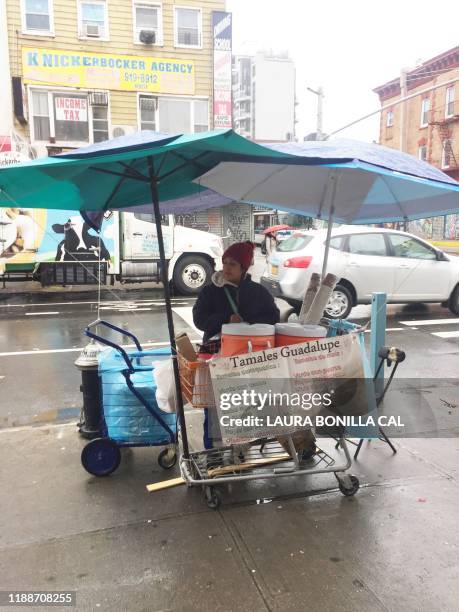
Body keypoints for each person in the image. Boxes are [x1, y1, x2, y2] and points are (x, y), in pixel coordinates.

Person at [193, 240, 280, 448]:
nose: (227, 268)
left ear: (244, 267)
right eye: (225, 262)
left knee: (242, 405)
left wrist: (250, 323)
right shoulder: (210, 291)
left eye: (233, 264)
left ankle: (240, 448)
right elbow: (199, 319)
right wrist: (225, 318)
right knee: (214, 406)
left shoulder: (258, 292)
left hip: (247, 358)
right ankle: (212, 453)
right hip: (215, 356)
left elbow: (274, 317)